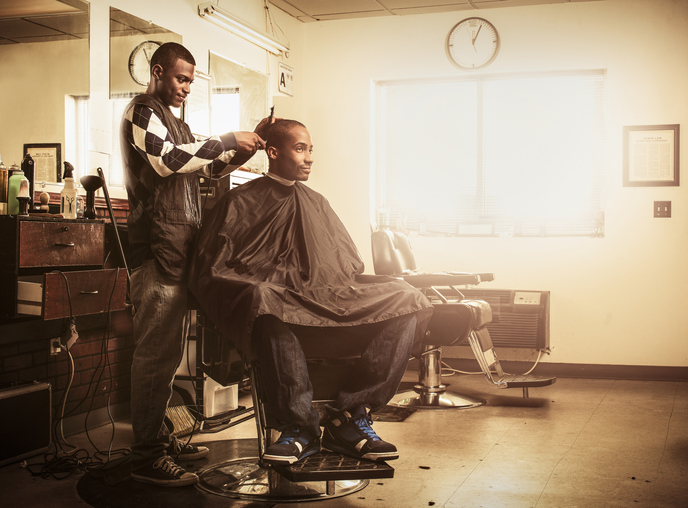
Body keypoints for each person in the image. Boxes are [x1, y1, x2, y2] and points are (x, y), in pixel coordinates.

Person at [189, 120, 433, 466]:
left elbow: (347, 263)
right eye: (300, 149)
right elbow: (214, 269)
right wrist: (270, 283)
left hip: (325, 296)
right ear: (273, 153)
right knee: (266, 301)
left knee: (406, 297)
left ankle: (349, 416)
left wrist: (324, 287)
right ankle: (300, 427)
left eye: (310, 149)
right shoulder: (239, 202)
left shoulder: (317, 202)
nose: (309, 158)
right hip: (279, 304)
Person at [120, 42, 272, 487]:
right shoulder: (142, 111)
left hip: (179, 251)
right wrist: (226, 138)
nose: (186, 87)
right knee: (154, 357)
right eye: (180, 78)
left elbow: (209, 169)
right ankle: (146, 455)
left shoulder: (178, 124)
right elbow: (167, 162)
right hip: (154, 252)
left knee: (167, 359)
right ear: (157, 71)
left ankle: (160, 441)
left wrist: (246, 145)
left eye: (190, 80)